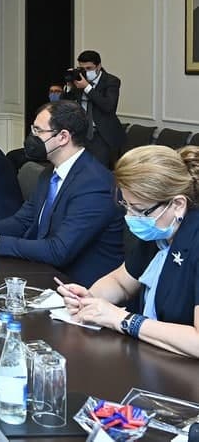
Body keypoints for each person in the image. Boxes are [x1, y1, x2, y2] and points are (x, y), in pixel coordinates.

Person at [0, 101, 125, 287]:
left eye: (38, 131)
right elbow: (24, 220)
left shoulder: (95, 184)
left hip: (81, 287)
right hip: (46, 272)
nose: (32, 137)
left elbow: (59, 250)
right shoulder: (49, 173)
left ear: (63, 137)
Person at [57, 145, 199, 358]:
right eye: (127, 206)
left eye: (140, 210)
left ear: (178, 204)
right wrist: (89, 299)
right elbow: (121, 283)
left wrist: (122, 319)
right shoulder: (160, 230)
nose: (130, 217)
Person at [62, 50, 125, 167]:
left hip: (102, 134)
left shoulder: (111, 81)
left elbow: (108, 106)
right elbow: (64, 105)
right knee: (78, 166)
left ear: (98, 66)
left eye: (89, 68)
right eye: (82, 68)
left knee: (98, 168)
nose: (85, 72)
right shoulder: (79, 80)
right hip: (81, 133)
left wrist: (87, 87)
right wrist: (69, 86)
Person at [6, 84, 64, 172]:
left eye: (57, 91)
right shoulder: (43, 111)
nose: (53, 94)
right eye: (51, 91)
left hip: (51, 148)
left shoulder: (64, 113)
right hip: (37, 146)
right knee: (12, 155)